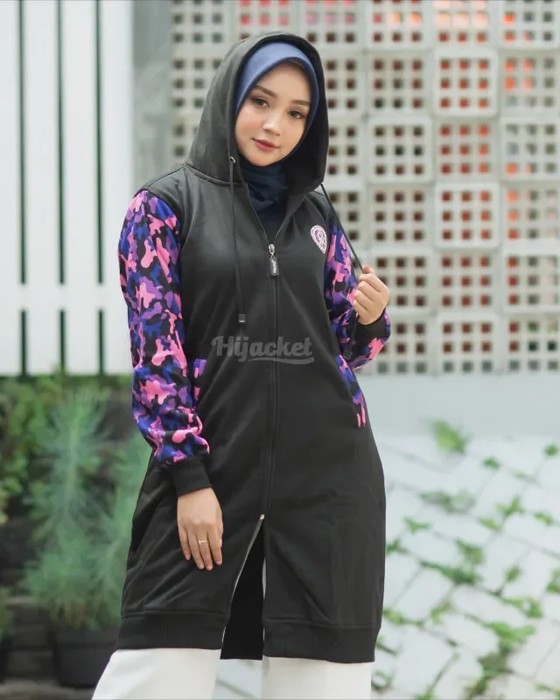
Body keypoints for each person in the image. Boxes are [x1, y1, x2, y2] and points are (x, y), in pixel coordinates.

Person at [93, 31, 391, 700]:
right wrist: (189, 479)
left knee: (326, 684)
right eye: (261, 101)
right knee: (155, 673)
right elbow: (157, 358)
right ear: (229, 96)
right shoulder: (165, 208)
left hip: (329, 486)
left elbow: (346, 348)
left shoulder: (314, 212)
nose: (275, 124)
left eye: (296, 112)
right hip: (211, 476)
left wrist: (371, 317)